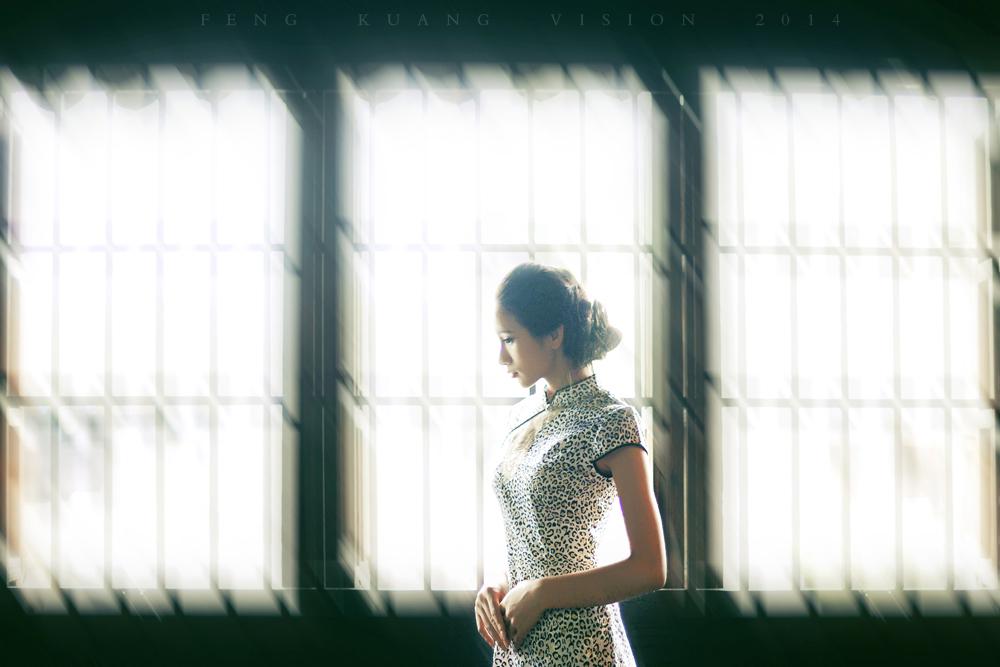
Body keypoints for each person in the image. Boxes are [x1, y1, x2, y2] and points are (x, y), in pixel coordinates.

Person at [475, 262, 667, 666]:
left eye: (509, 339)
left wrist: (541, 592)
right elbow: (523, 532)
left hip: (582, 646)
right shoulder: (520, 416)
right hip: (518, 646)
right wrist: (496, 583)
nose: (501, 357)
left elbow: (651, 567)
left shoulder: (612, 420)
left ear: (554, 335)